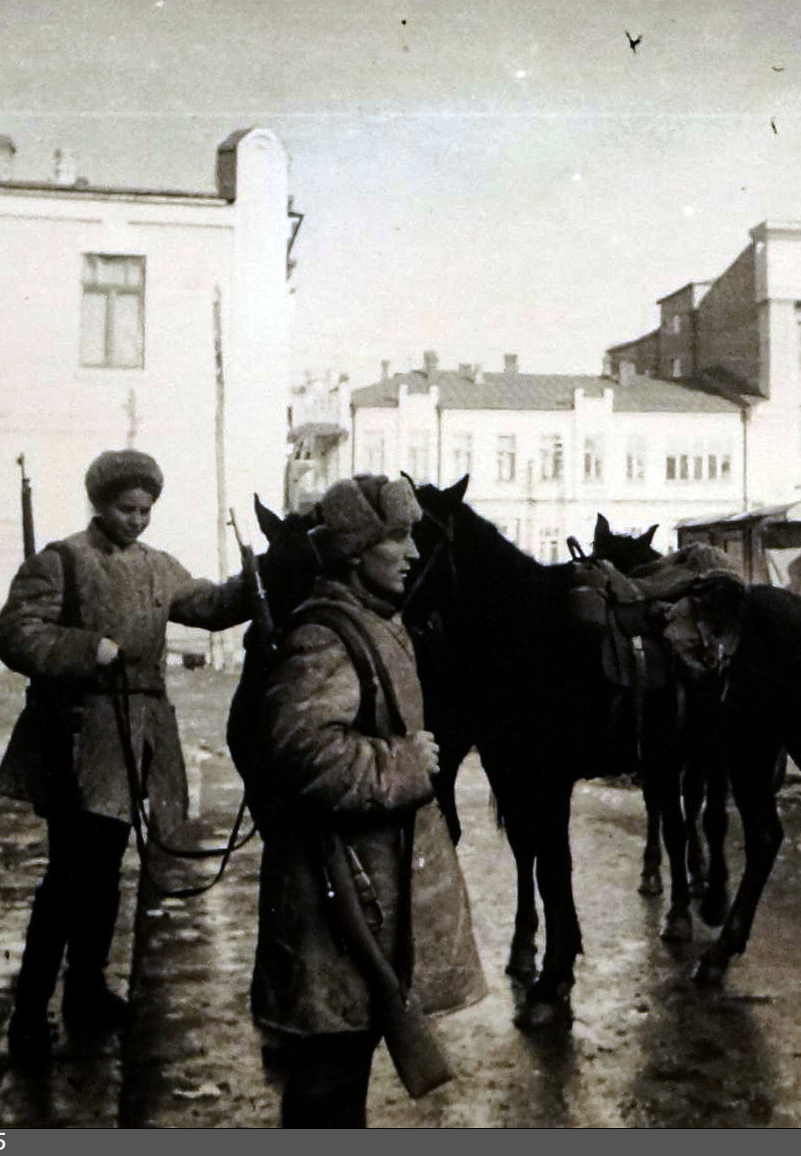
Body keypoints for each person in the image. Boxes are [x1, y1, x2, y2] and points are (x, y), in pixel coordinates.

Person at [0, 449, 250, 1062]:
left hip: (137, 737)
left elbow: (208, 606)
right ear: (100, 505)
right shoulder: (64, 560)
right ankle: (28, 1015)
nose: (137, 520)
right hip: (78, 742)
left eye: (146, 510)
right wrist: (86, 649)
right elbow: (12, 632)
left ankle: (86, 989)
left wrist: (255, 581)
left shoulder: (159, 568)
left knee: (105, 874)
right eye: (126, 509)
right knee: (67, 879)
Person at [253, 474, 485, 1128]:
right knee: (328, 1083)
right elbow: (302, 751)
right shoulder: (326, 637)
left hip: (371, 899)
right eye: (398, 538)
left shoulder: (377, 623)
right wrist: (403, 763)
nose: (413, 552)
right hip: (340, 903)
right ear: (356, 552)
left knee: (345, 1068)